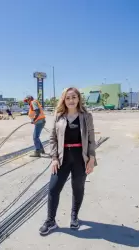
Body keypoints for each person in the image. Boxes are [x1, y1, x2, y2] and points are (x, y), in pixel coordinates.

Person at [39, 87, 97, 235]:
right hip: (62, 157)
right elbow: (52, 138)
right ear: (64, 100)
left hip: (80, 157)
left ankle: (74, 216)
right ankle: (51, 221)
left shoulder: (86, 116)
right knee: (53, 188)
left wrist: (92, 158)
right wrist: (53, 158)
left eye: (74, 97)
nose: (71, 100)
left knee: (78, 189)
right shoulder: (59, 115)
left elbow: (91, 138)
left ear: (78, 99)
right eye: (68, 98)